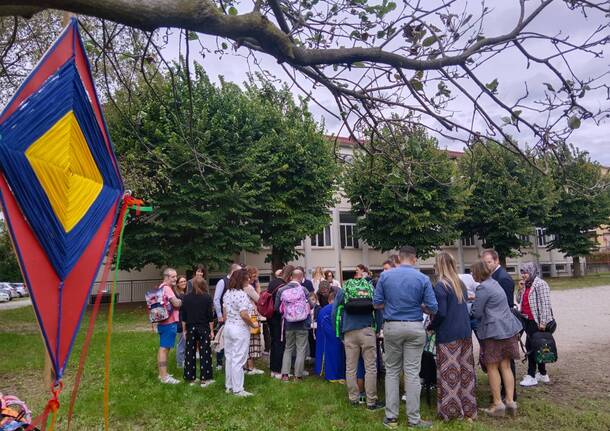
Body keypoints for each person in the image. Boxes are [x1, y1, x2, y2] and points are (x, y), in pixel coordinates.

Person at [373, 246, 438, 429]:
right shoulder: (423, 278)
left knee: (392, 371)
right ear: (415, 259)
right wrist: (420, 307)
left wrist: (392, 306)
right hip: (415, 327)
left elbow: (377, 303)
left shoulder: (385, 276)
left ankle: (391, 418)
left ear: (399, 259)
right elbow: (433, 308)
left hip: (392, 326)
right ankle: (413, 419)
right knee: (412, 373)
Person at [427, 252, 477, 421]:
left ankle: (452, 413)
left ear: (439, 265)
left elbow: (441, 313)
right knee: (466, 374)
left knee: (450, 375)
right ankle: (469, 409)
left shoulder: (441, 285)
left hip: (449, 335)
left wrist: (431, 326)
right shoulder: (459, 283)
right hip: (465, 332)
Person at [470, 261, 522, 417]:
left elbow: (477, 313)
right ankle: (510, 402)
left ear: (479, 273)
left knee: (492, 367)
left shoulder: (482, 287)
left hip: (494, 332)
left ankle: (498, 404)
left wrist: (471, 304)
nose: (472, 275)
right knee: (505, 366)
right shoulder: (494, 283)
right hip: (508, 329)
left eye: (473, 272)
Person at [333, 275, 383, 410]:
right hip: (367, 330)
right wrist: (377, 328)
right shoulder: (370, 288)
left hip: (349, 331)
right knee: (370, 367)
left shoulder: (344, 289)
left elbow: (335, 311)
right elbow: (378, 310)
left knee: (350, 368)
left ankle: (353, 399)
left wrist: (339, 332)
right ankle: (371, 401)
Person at [481, 249, 518, 401]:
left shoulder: (503, 278)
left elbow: (507, 305)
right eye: (484, 262)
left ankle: (509, 394)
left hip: (503, 326)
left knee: (506, 362)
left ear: (497, 261)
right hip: (500, 325)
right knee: (502, 362)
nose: (487, 265)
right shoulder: (492, 277)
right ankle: (505, 394)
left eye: (489, 262)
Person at [222, 268, 259, 396]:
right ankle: (238, 389)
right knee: (238, 359)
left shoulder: (227, 293)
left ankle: (229, 386)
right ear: (242, 279)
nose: (249, 279)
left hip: (228, 327)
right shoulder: (242, 294)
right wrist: (252, 323)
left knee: (230, 358)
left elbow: (225, 314)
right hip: (240, 328)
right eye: (247, 277)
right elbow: (244, 314)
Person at [517, 262, 553, 387]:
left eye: (525, 272)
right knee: (538, 346)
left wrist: (543, 322)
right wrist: (520, 289)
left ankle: (531, 375)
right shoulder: (526, 285)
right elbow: (519, 301)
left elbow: (545, 304)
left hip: (536, 322)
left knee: (531, 347)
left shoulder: (540, 284)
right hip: (527, 320)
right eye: (522, 272)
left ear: (532, 271)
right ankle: (543, 374)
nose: (523, 275)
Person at [275, 268, 314, 381]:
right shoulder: (304, 289)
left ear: (291, 277)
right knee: (301, 349)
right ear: (301, 278)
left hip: (288, 324)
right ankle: (298, 376)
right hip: (302, 324)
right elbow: (311, 305)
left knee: (288, 348)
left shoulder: (281, 290)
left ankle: (285, 375)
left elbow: (277, 308)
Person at [181, 277, 215, 387]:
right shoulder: (207, 297)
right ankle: (205, 378)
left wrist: (184, 330)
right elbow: (210, 316)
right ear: (203, 285)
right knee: (205, 353)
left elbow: (184, 316)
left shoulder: (186, 298)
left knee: (189, 353)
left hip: (190, 328)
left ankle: (190, 378)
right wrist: (211, 330)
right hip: (203, 328)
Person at [213, 263, 241, 370]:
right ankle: (219, 363)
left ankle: (231, 361)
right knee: (222, 338)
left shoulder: (238, 282)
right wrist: (220, 315)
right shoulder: (222, 282)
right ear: (233, 271)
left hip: (234, 317)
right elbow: (216, 299)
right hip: (224, 316)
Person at [156, 268, 182, 384]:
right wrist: (182, 300)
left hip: (162, 322)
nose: (175, 279)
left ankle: (162, 373)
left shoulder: (161, 287)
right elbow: (176, 303)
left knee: (164, 349)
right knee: (164, 349)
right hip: (169, 322)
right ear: (166, 277)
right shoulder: (167, 288)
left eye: (176, 276)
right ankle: (164, 377)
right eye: (173, 277)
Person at [267, 265, 294, 378]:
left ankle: (273, 369)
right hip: (279, 317)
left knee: (274, 342)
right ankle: (278, 370)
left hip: (270, 316)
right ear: (290, 275)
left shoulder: (273, 282)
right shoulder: (284, 286)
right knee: (280, 343)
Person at [315, 291, 345, 382]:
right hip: (338, 334)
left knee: (326, 352)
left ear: (329, 300)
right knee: (339, 354)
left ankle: (324, 371)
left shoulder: (323, 310)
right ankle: (338, 375)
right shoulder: (341, 309)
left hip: (325, 335)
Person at [244, 266, 264, 375]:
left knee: (246, 342)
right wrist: (258, 286)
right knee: (252, 342)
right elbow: (259, 299)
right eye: (255, 276)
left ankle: (247, 366)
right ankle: (251, 367)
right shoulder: (249, 288)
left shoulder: (240, 287)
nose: (256, 278)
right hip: (252, 316)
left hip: (245, 316)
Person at [175, 275, 188, 368]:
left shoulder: (184, 293)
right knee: (181, 342)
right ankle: (180, 364)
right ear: (177, 284)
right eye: (181, 282)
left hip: (185, 320)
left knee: (184, 342)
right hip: (180, 321)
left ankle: (184, 360)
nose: (183, 283)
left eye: (184, 281)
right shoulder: (177, 295)